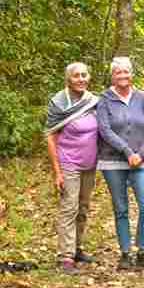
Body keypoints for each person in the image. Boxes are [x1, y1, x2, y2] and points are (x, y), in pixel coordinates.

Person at [96, 55, 144, 270]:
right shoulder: (104, 99)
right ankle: (125, 253)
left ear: (131, 74)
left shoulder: (141, 97)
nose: (122, 76)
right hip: (113, 161)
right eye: (118, 72)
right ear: (112, 76)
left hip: (140, 160)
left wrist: (140, 153)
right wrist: (126, 151)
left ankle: (143, 250)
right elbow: (104, 129)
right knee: (121, 208)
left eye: (126, 72)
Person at [43, 62, 100, 273]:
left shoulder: (93, 101)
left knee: (83, 207)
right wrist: (56, 171)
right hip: (68, 163)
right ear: (68, 79)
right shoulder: (58, 103)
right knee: (69, 207)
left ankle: (76, 248)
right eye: (76, 76)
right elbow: (50, 136)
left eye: (84, 75)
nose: (81, 79)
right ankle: (65, 257)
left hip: (90, 164)